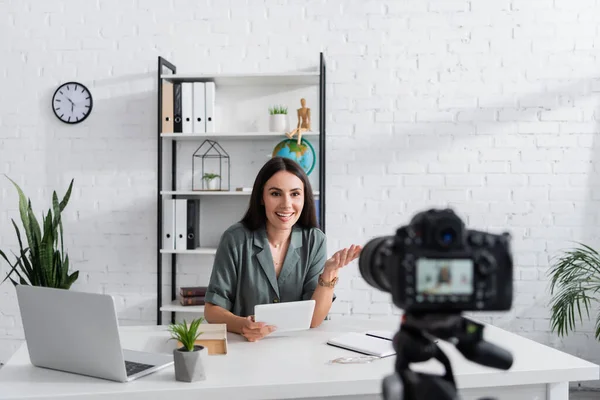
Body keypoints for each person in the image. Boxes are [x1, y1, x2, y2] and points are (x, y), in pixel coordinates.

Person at [204, 157, 361, 342]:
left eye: (295, 194)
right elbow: (212, 310)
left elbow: (314, 320)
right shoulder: (235, 239)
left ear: (305, 197)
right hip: (246, 348)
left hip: (298, 348)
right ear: (262, 198)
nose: (286, 204)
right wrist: (242, 325)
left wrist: (329, 272)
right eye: (276, 194)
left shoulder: (314, 240)